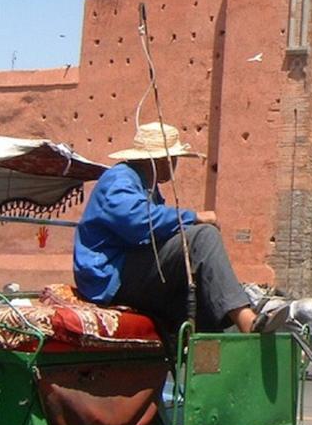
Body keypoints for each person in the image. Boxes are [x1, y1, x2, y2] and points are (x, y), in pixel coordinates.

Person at [73, 122, 256, 335]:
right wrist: (193, 217)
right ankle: (246, 320)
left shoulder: (147, 185)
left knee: (202, 300)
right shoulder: (119, 178)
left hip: (130, 268)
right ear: (162, 160)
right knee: (204, 237)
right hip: (108, 275)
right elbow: (138, 221)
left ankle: (220, 354)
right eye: (174, 159)